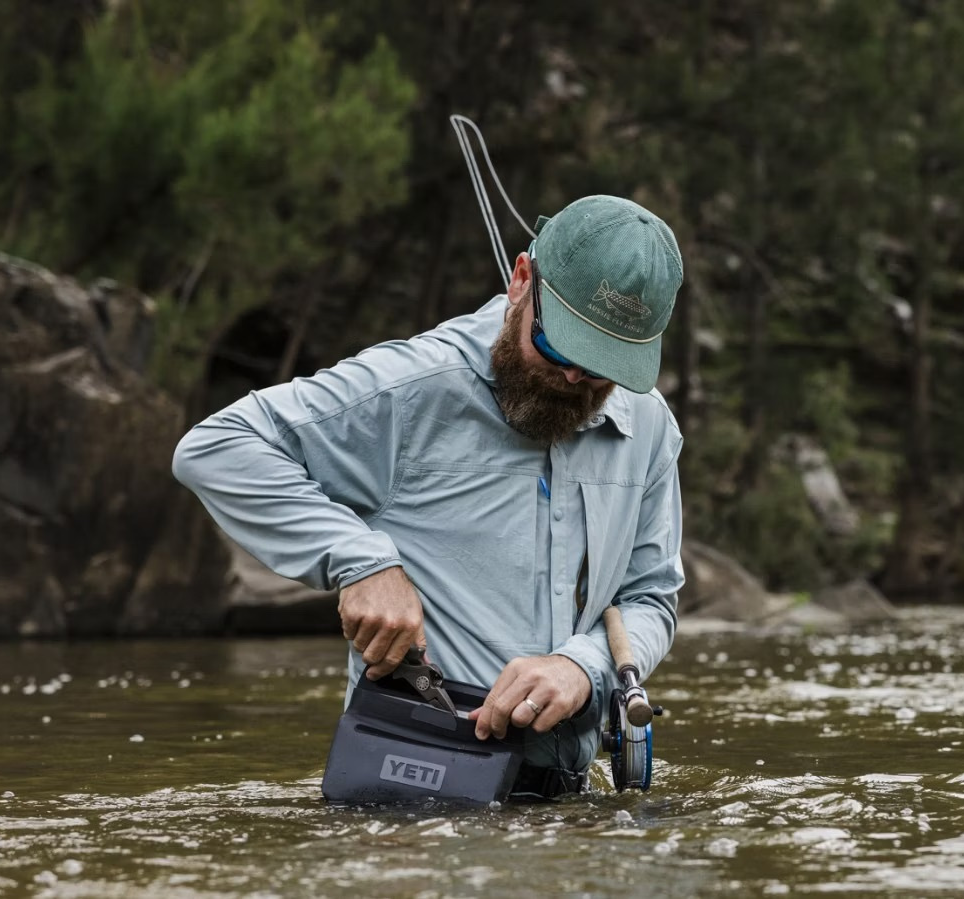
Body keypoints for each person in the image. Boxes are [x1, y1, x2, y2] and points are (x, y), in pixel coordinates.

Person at [172, 194, 685, 799]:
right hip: (410, 801)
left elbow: (650, 596)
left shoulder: (649, 428)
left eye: (603, 368)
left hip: (571, 800)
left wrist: (582, 667)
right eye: (558, 347)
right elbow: (217, 447)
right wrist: (361, 560)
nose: (576, 378)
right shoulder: (410, 388)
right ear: (522, 280)